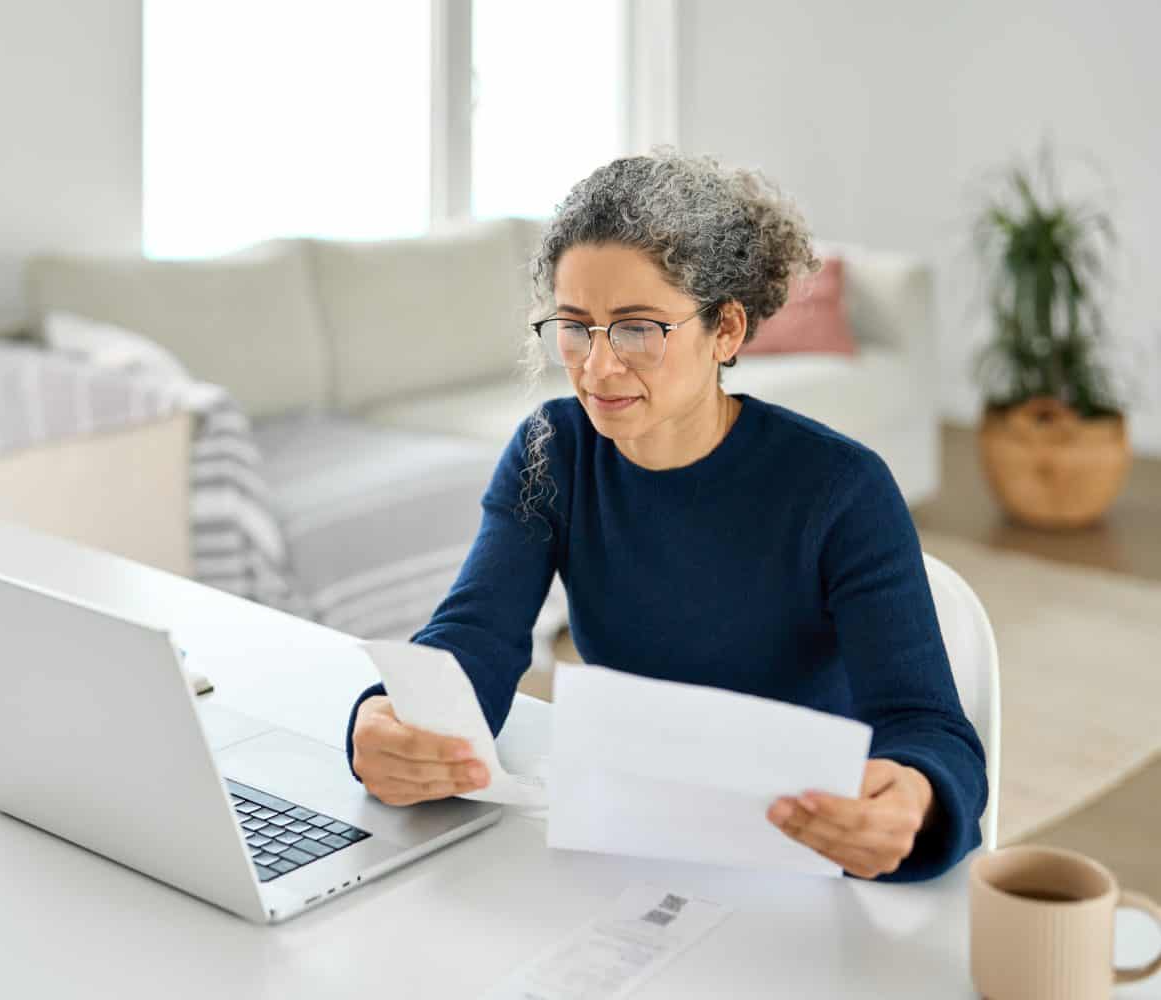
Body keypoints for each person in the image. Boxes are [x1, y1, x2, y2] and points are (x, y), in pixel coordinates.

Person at [342, 147, 987, 882]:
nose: (597, 366)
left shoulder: (841, 490)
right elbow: (472, 639)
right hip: (639, 832)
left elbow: (929, 729)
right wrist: (387, 721)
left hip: (808, 851)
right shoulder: (553, 452)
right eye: (576, 326)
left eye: (638, 328)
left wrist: (914, 798)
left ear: (727, 331)